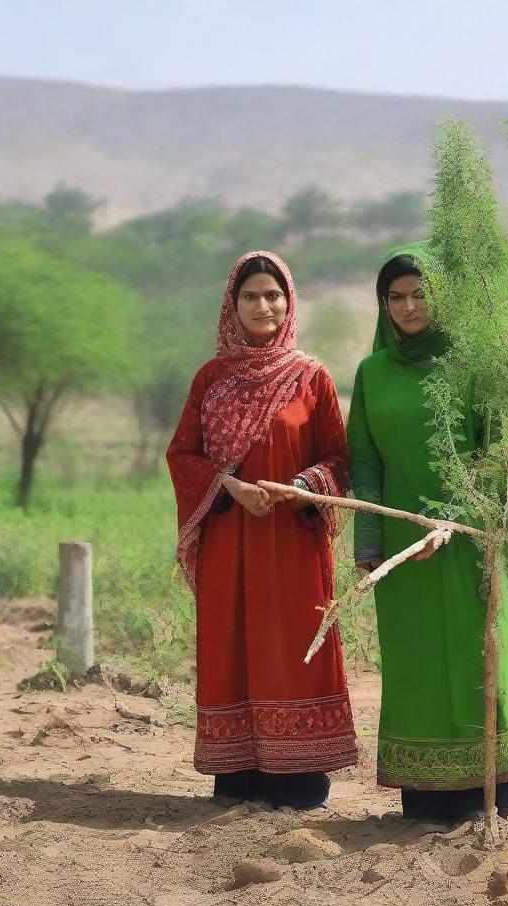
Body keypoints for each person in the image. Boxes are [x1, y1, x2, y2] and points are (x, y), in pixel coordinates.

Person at [167, 250, 357, 810]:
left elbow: (339, 461)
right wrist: (229, 486)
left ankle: (299, 780)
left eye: (273, 295)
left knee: (294, 642)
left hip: (292, 541)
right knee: (232, 643)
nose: (262, 305)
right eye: (250, 295)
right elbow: (182, 455)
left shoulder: (311, 378)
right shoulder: (211, 378)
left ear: (289, 301)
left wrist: (298, 486)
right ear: (233, 304)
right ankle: (238, 776)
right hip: (229, 538)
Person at [346, 243, 508, 821]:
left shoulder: (473, 364)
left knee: (485, 661)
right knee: (416, 666)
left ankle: (503, 797)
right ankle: (426, 802)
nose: (408, 306)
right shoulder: (371, 374)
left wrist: (470, 517)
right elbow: (366, 466)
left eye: (420, 293)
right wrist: (370, 548)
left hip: (473, 541)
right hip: (406, 552)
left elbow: (500, 452)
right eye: (395, 297)